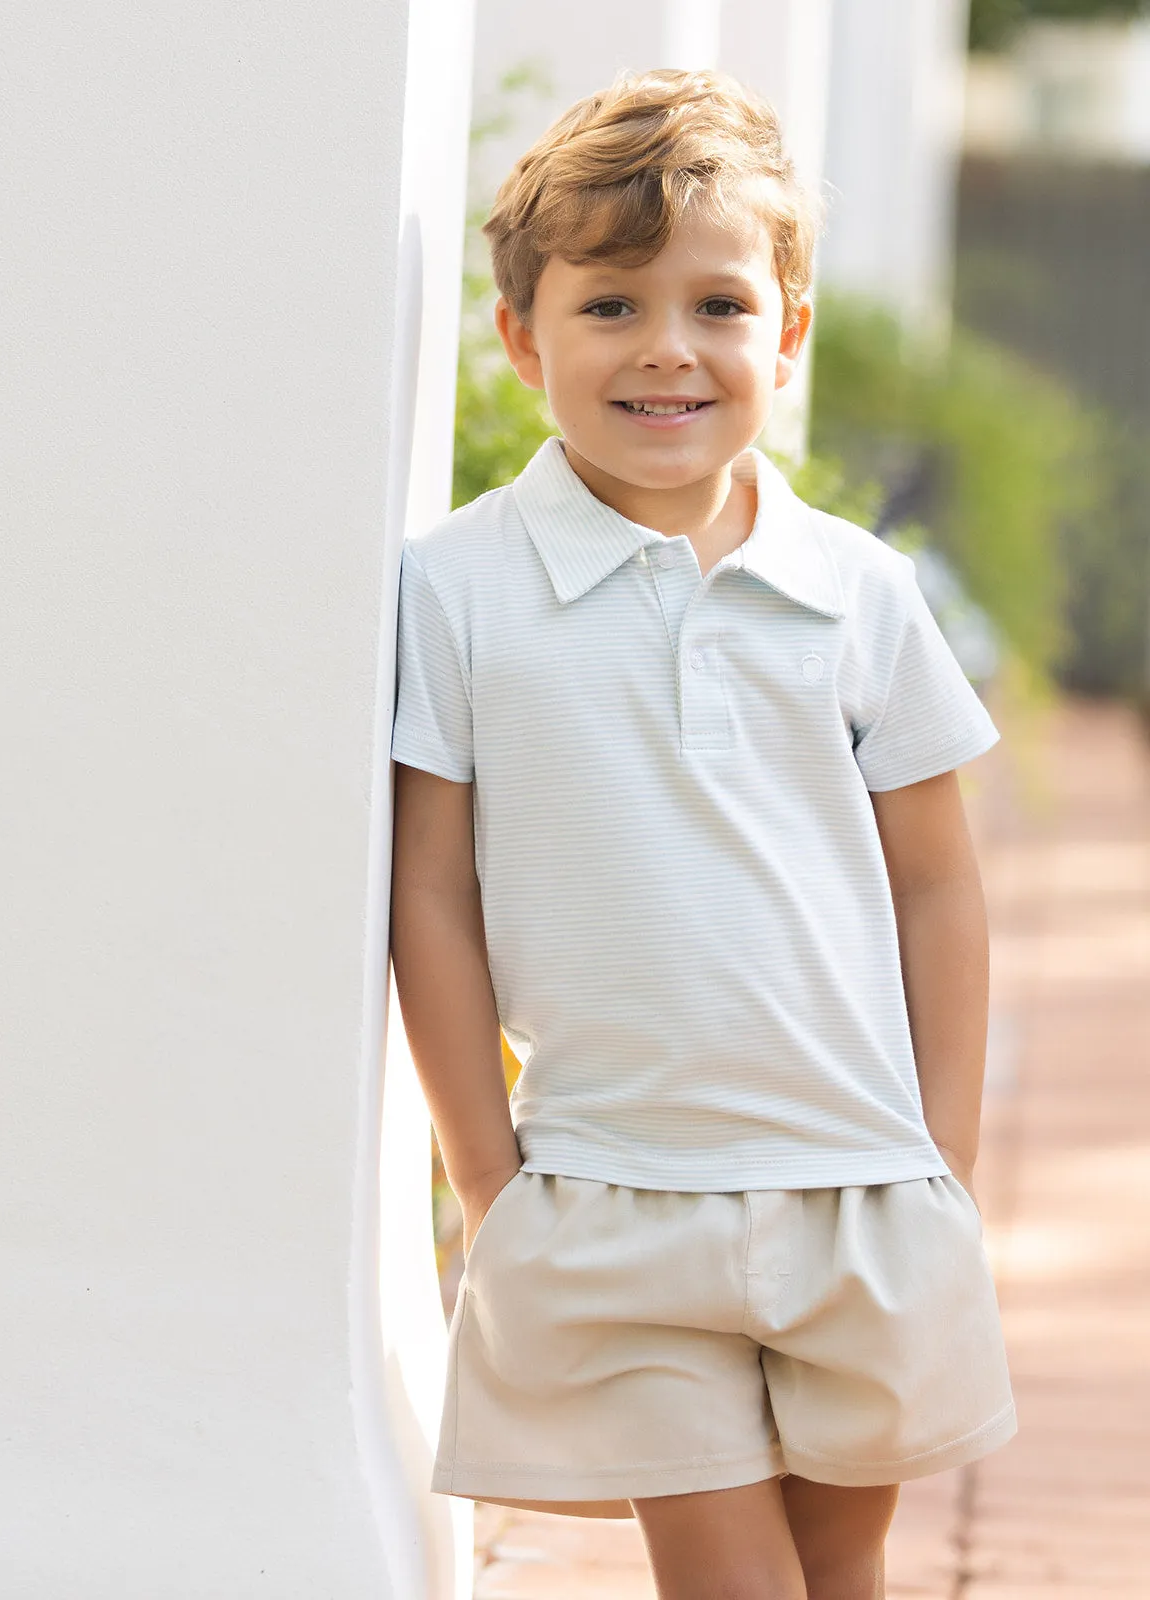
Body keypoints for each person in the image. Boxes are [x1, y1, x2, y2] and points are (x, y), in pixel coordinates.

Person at [388, 66, 1015, 1600]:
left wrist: (941, 1160)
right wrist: (492, 1177)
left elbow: (939, 885)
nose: (669, 347)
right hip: (616, 1188)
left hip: (858, 1182)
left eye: (719, 305)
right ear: (521, 335)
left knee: (839, 1566)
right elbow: (429, 898)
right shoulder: (457, 592)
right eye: (611, 306)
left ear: (785, 336)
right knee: (731, 1577)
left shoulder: (859, 591)